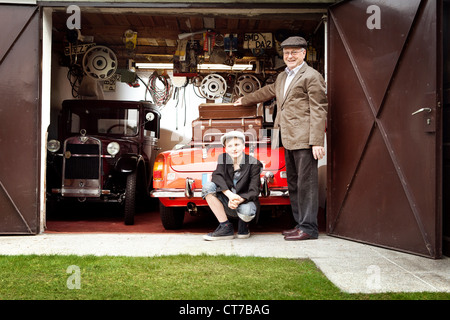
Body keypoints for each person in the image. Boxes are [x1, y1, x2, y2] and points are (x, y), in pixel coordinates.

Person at [234, 36, 328, 241]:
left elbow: (319, 110)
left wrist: (317, 141)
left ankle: (309, 228)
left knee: (306, 185)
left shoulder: (312, 76)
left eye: (294, 52)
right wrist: (244, 100)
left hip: (305, 139)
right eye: (286, 53)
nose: (290, 56)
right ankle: (300, 224)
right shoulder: (282, 77)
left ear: (304, 53)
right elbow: (267, 92)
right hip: (287, 138)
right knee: (293, 184)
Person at [202, 131, 263, 241]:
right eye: (230, 146)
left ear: (243, 146)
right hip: (228, 201)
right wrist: (230, 195)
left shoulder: (254, 163)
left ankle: (243, 226)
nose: (234, 149)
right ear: (225, 149)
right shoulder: (223, 158)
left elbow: (254, 189)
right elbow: (216, 176)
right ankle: (225, 227)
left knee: (247, 211)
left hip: (244, 201)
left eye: (237, 145)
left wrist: (238, 200)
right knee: (208, 187)